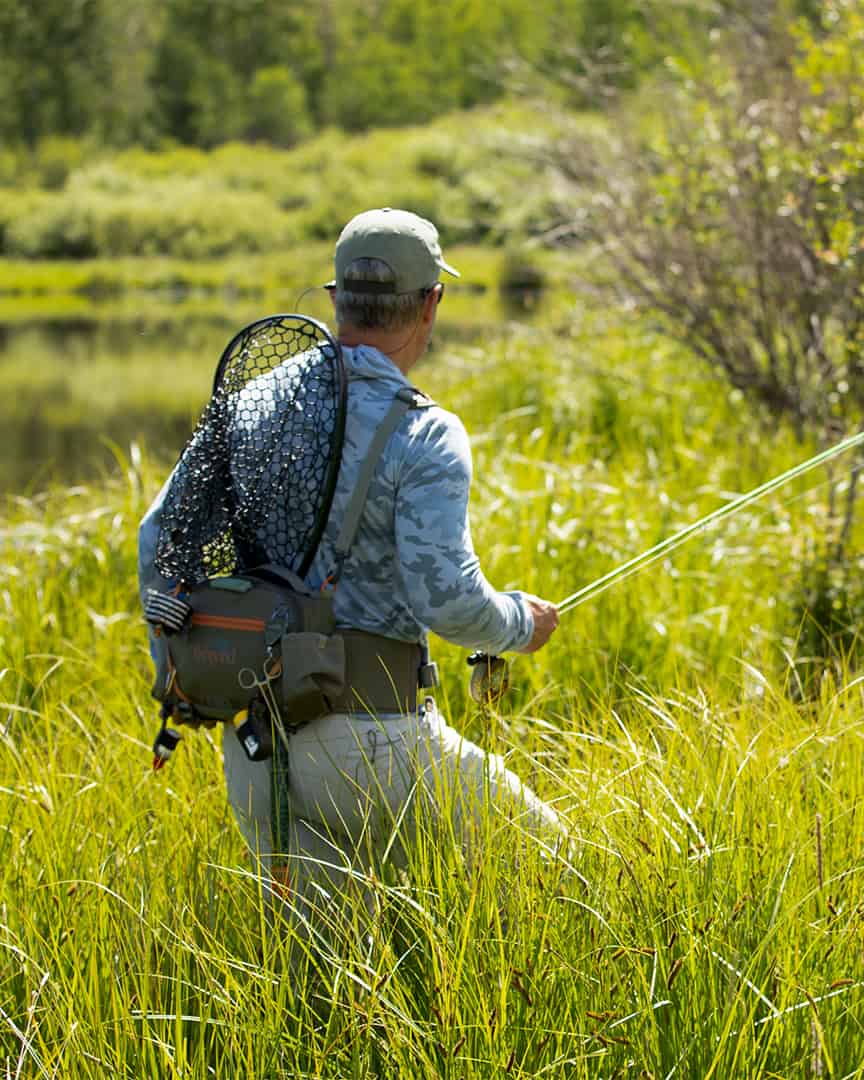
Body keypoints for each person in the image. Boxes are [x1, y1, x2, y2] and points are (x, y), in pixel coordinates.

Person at [137, 207, 562, 953]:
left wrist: (173, 667)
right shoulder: (425, 430)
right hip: (377, 749)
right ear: (430, 305)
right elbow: (446, 598)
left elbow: (157, 540)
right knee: (564, 877)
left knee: (335, 979)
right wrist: (521, 624)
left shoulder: (251, 402)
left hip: (254, 747)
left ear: (335, 298)